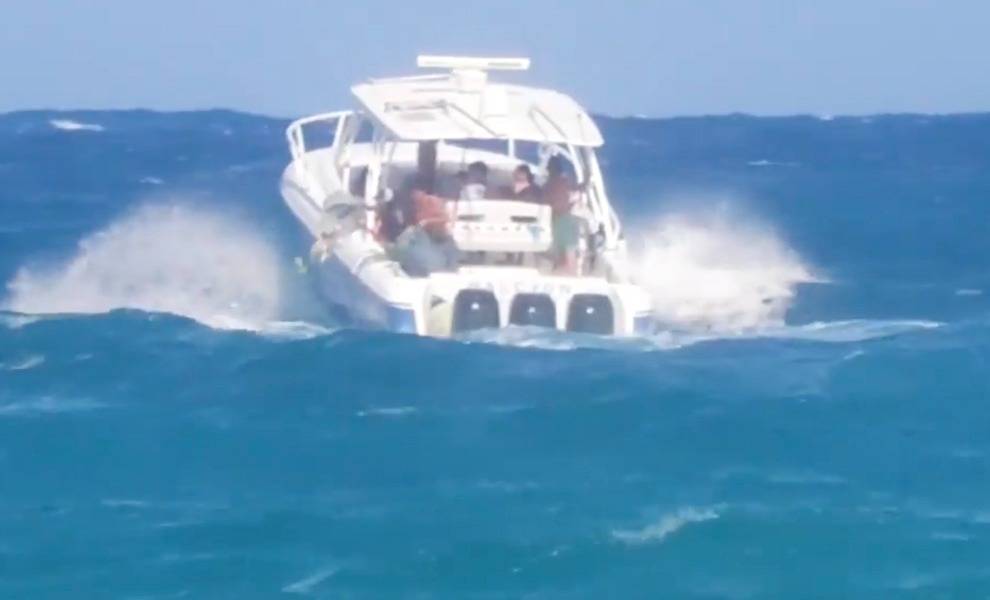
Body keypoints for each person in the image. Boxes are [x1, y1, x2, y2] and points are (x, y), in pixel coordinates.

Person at [543, 155, 588, 275]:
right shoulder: (562, 183)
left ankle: (565, 273)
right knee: (567, 253)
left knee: (565, 254)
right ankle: (567, 273)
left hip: (559, 220)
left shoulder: (551, 184)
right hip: (562, 220)